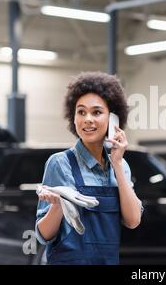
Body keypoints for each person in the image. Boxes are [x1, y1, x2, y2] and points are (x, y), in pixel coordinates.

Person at [35, 71, 142, 265]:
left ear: (113, 119)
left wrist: (117, 164)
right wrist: (58, 205)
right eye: (81, 112)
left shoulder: (121, 166)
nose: (88, 119)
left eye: (97, 112)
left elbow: (133, 220)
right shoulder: (59, 163)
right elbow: (43, 235)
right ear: (73, 118)